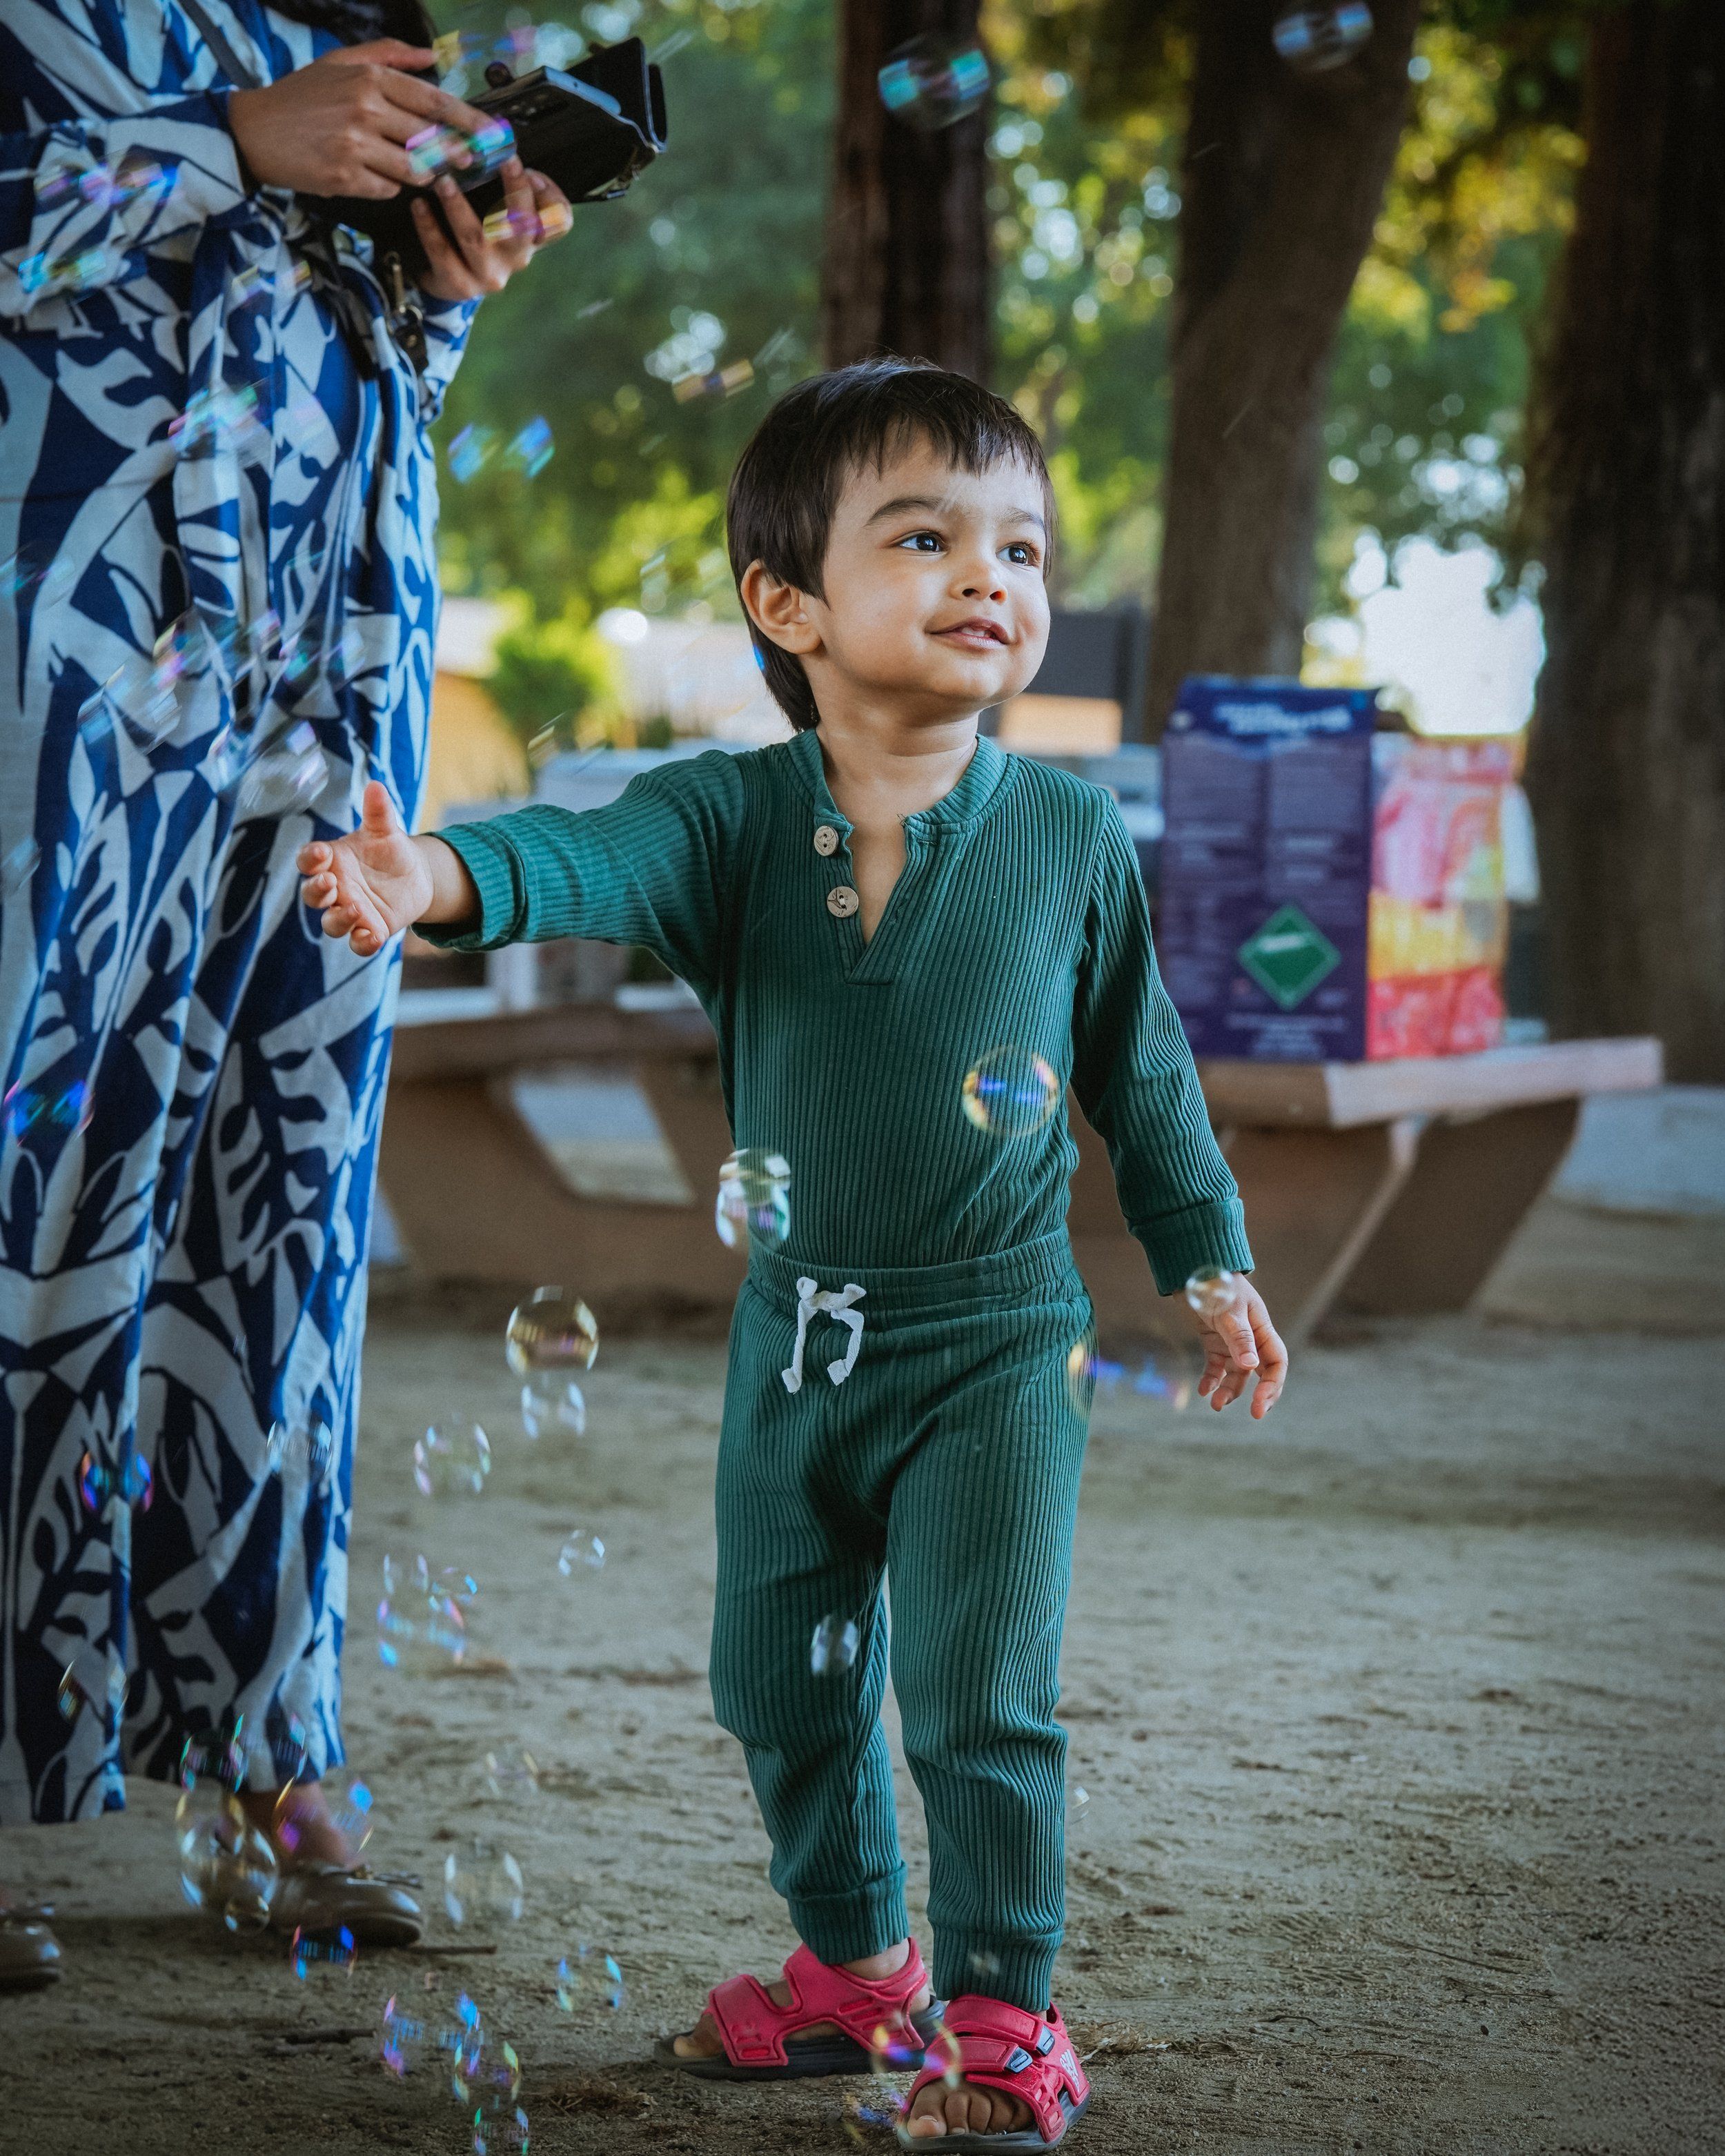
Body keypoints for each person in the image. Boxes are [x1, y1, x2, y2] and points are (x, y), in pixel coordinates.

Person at [297, 361, 1290, 2150]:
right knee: (777, 1677)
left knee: (977, 1687)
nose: (992, 573)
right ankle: (851, 1975)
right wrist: (427, 874)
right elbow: (578, 856)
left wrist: (1204, 1255)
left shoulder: (1066, 832)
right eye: (926, 536)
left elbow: (1141, 1069)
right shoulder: (731, 817)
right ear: (788, 604)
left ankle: (1001, 2011)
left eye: (1020, 543)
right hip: (799, 1339)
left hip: (998, 1340)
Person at [0, 0, 566, 1990]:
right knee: (26, 1182)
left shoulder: (340, 19)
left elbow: (316, 351)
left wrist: (434, 273)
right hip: (64, 661)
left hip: (327, 679)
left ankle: (258, 1752)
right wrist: (229, 139)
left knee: (278, 1212)